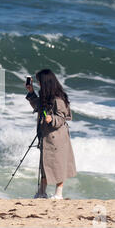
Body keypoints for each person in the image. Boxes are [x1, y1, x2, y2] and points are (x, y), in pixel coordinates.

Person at [25, 69, 76, 200]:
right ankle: (42, 192)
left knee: (59, 164)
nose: (39, 85)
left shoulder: (58, 99)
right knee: (45, 164)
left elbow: (62, 117)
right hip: (47, 136)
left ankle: (59, 193)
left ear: (46, 82)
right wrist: (31, 92)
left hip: (58, 137)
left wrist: (51, 119)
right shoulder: (45, 96)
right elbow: (37, 106)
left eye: (40, 82)